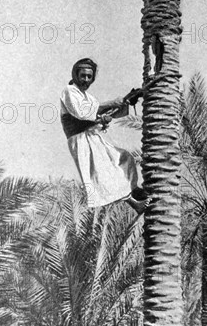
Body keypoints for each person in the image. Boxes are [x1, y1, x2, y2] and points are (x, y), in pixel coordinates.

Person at [60, 58, 148, 213]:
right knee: (105, 172)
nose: (86, 80)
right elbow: (84, 113)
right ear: (75, 74)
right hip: (81, 139)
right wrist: (112, 106)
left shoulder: (88, 96)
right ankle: (135, 203)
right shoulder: (69, 91)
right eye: (83, 76)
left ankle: (134, 190)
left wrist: (126, 101)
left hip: (91, 136)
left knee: (124, 157)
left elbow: (100, 112)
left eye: (89, 77)